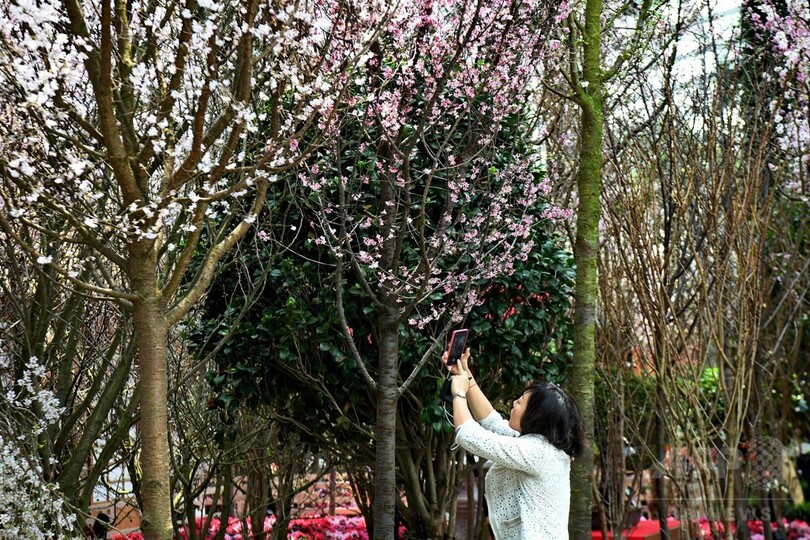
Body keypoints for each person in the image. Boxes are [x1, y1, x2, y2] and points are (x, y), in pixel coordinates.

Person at [445, 348, 584, 540]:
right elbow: (491, 421)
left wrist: (458, 393)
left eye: (520, 402)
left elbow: (469, 435)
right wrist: (466, 375)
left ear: (535, 417)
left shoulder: (537, 452)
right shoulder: (541, 446)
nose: (514, 403)